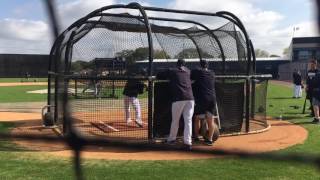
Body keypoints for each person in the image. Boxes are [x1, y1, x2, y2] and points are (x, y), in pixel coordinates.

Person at [157, 58, 194, 150]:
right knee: (188, 121)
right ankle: (188, 143)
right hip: (190, 98)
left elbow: (159, 75)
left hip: (179, 98)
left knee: (175, 120)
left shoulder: (173, 70)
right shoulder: (188, 71)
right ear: (184, 65)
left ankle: (172, 139)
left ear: (177, 64)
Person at [191, 59, 218, 146]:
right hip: (212, 99)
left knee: (197, 118)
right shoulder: (212, 73)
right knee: (210, 120)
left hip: (202, 99)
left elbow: (193, 73)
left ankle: (196, 137)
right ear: (207, 65)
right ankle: (209, 139)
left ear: (200, 65)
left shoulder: (198, 72)